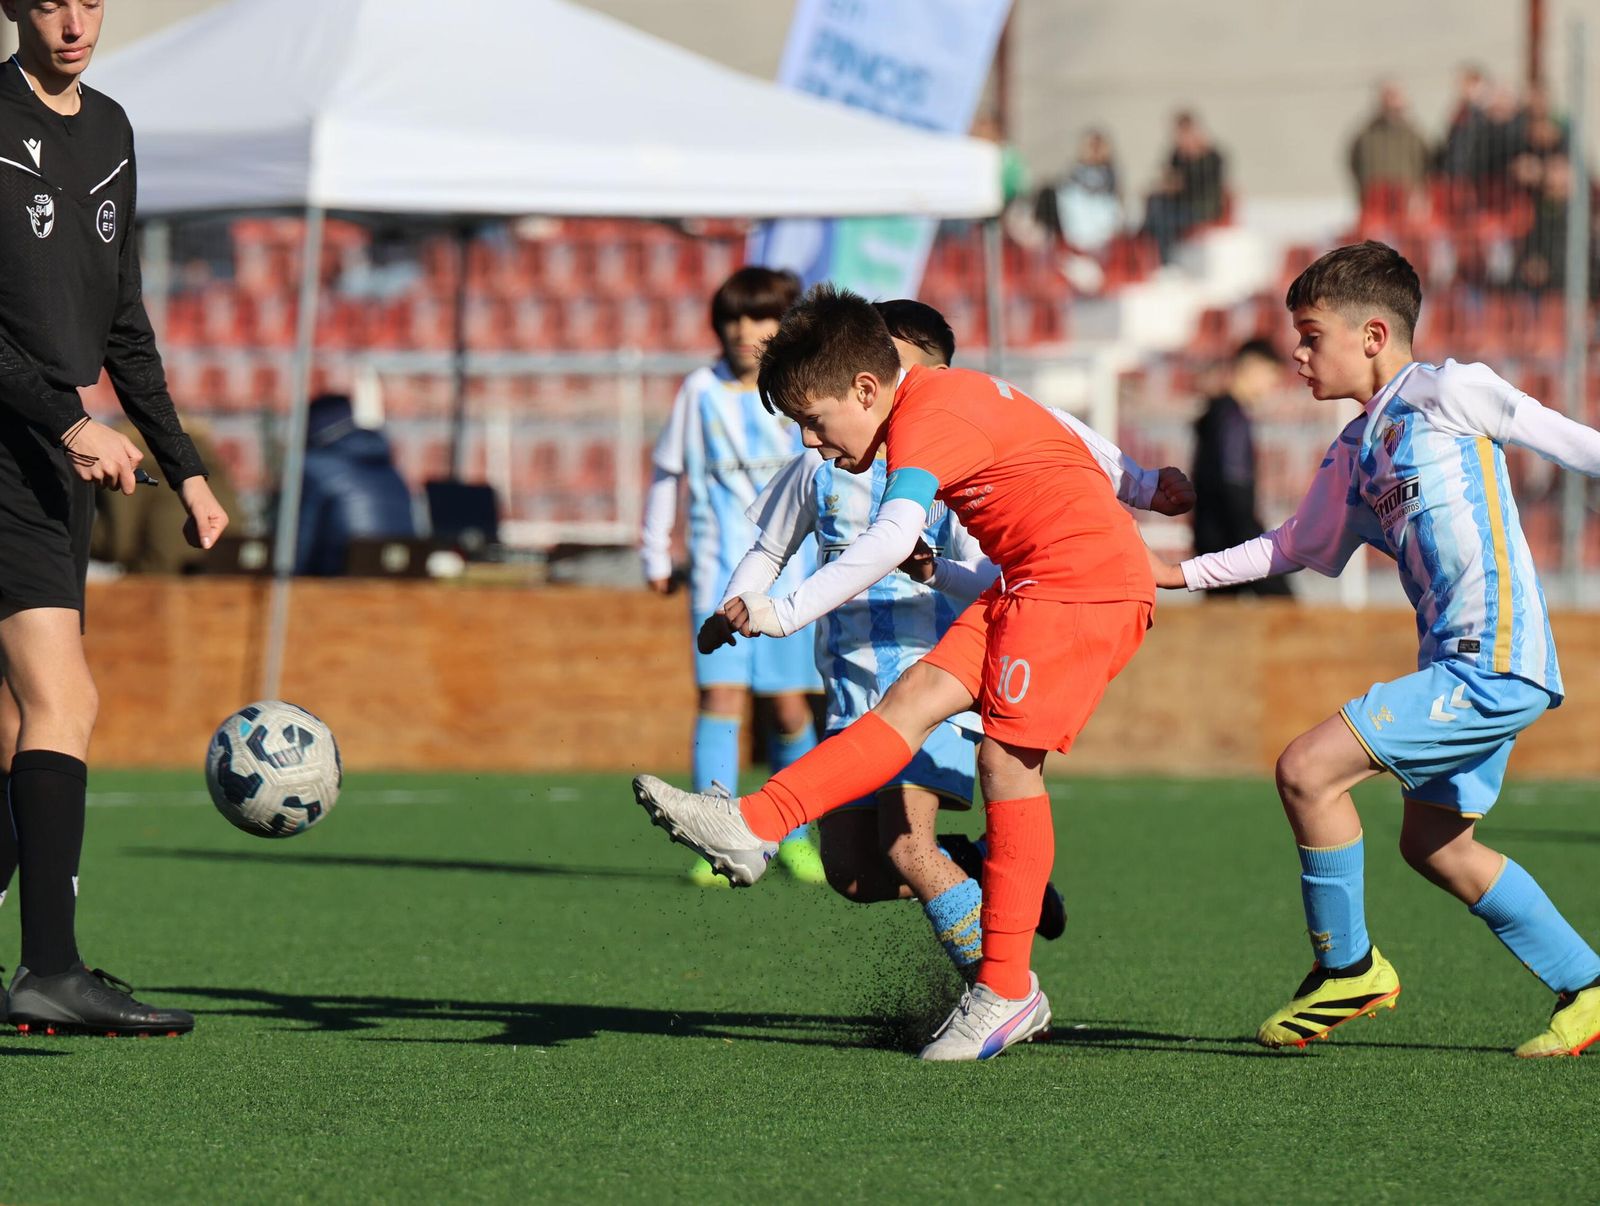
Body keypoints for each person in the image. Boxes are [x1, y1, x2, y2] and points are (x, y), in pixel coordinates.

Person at [634, 284, 1159, 1061]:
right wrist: (1146, 485)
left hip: (1073, 585)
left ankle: (1005, 989)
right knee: (904, 735)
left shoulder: (926, 419)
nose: (811, 442)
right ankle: (757, 826)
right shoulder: (943, 402)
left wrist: (780, 613)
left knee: (1004, 762)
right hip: (1034, 581)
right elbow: (1061, 428)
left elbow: (887, 539)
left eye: (814, 420)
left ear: (870, 386)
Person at [1152, 241, 1600, 1058]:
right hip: (1459, 667)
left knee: (1305, 769)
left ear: (1373, 335)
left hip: (1493, 660)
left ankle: (1349, 968)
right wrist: (1174, 574)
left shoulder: (1451, 391)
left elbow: (1578, 443)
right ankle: (1591, 986)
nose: (1296, 353)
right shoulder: (1357, 449)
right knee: (1435, 845)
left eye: (1310, 334)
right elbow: (1288, 546)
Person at [0, 0, 228, 1035]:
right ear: (14, 9)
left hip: (54, 463)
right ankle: (50, 968)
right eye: (50, 1)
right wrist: (67, 419)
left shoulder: (113, 131)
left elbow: (122, 322)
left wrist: (186, 468)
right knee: (65, 703)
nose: (74, 20)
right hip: (14, 453)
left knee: (12, 730)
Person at [639, 266, 824, 888]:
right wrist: (654, 554)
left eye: (760, 317)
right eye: (733, 319)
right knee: (719, 698)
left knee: (790, 707)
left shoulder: (799, 392)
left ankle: (795, 838)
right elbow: (668, 472)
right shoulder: (699, 391)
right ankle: (711, 837)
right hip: (718, 578)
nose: (745, 331)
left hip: (792, 581)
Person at [1191, 338, 1293, 599]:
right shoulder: (1232, 417)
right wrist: (1256, 546)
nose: (1272, 385)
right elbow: (1233, 486)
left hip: (1213, 541)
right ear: (1253, 368)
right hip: (1232, 541)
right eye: (1271, 375)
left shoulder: (1217, 414)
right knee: (1288, 613)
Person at [91, 418, 240, 574]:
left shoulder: (128, 465)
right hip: (224, 581)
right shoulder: (211, 465)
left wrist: (69, 534)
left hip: (159, 584)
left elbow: (116, 543)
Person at [295, 393, 415, 576]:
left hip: (335, 582)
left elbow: (299, 543)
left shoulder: (314, 466)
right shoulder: (392, 471)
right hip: (396, 582)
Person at [1142, 111, 1226, 263]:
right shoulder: (1177, 154)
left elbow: (1203, 184)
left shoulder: (1211, 156)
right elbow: (1170, 179)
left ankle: (1164, 261)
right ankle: (1148, 254)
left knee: (1163, 218)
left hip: (1201, 207)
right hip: (1180, 204)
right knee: (1154, 205)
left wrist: (1193, 159)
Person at [1347, 82, 1429, 217]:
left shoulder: (1413, 135)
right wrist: (1364, 187)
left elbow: (1425, 163)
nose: (1392, 103)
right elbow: (1354, 161)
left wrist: (1419, 190)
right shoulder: (1367, 134)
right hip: (1374, 196)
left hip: (1404, 195)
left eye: (1396, 98)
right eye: (1388, 97)